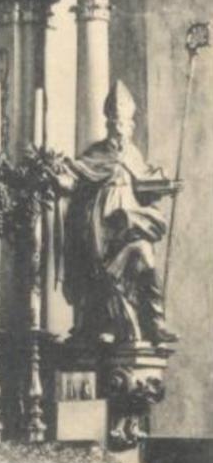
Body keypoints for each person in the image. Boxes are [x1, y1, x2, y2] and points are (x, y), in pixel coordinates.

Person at [60, 81, 178, 347]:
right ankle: (109, 324)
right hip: (101, 222)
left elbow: (145, 182)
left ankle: (155, 322)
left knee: (145, 257)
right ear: (109, 124)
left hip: (131, 216)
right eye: (115, 124)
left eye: (124, 124)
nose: (120, 130)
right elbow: (77, 174)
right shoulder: (97, 153)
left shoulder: (133, 153)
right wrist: (63, 176)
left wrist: (167, 185)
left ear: (130, 126)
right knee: (103, 269)